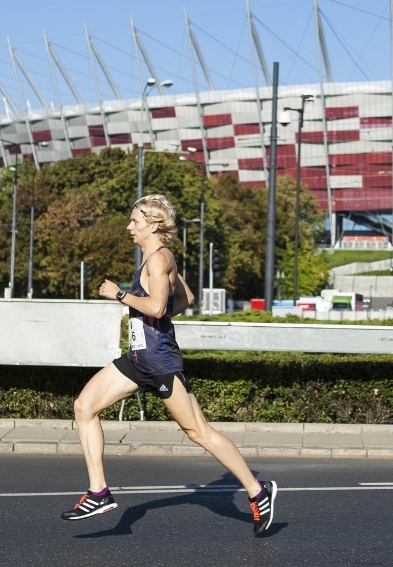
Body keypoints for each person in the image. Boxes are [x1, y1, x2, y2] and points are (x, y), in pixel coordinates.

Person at [61, 193, 277, 536]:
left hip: (159, 361)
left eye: (135, 221)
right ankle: (99, 492)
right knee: (84, 406)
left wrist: (118, 293)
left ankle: (257, 491)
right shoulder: (155, 260)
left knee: (198, 432)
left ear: (153, 225)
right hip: (137, 358)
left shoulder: (158, 261)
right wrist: (151, 315)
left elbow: (160, 307)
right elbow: (186, 299)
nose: (129, 226)